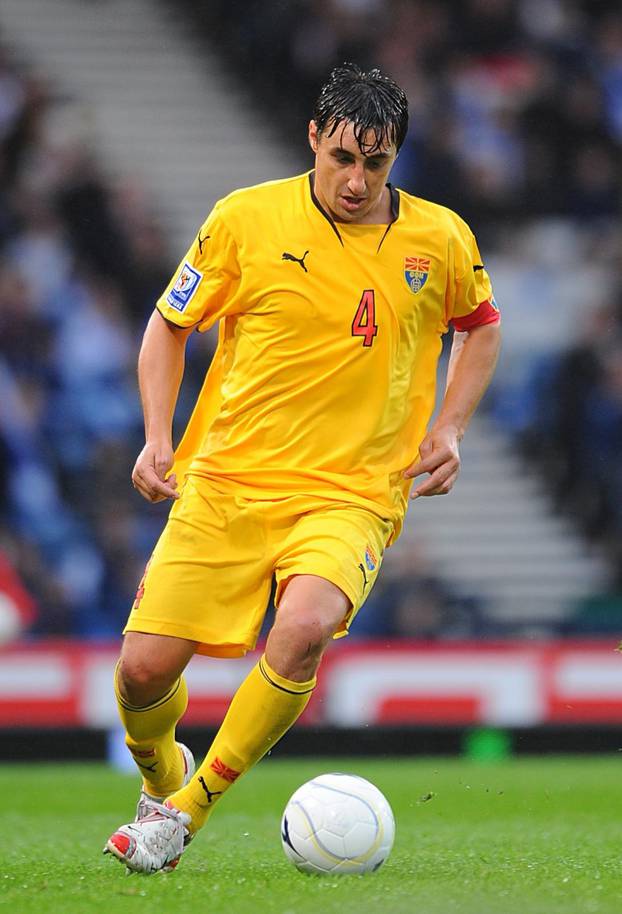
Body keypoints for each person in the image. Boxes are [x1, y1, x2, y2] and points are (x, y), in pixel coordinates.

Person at [103, 63, 501, 874]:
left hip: (352, 492)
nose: (356, 181)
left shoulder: (441, 238)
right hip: (227, 481)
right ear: (314, 137)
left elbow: (481, 326)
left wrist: (450, 426)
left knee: (305, 627)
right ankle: (161, 776)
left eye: (377, 163)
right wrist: (157, 436)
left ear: (396, 157)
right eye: (343, 157)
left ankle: (187, 811)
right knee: (141, 677)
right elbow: (168, 325)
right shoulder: (244, 219)